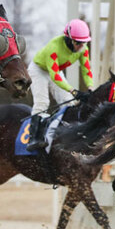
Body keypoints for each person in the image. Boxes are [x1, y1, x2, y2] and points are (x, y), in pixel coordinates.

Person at [26, 19, 94, 151]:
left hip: (55, 70)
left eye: (83, 42)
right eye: (78, 43)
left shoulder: (83, 49)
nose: (81, 46)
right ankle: (33, 138)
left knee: (69, 102)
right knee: (42, 103)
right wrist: (74, 91)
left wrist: (90, 87)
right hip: (39, 70)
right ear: (69, 40)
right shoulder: (53, 47)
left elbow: (86, 70)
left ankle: (69, 134)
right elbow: (55, 76)